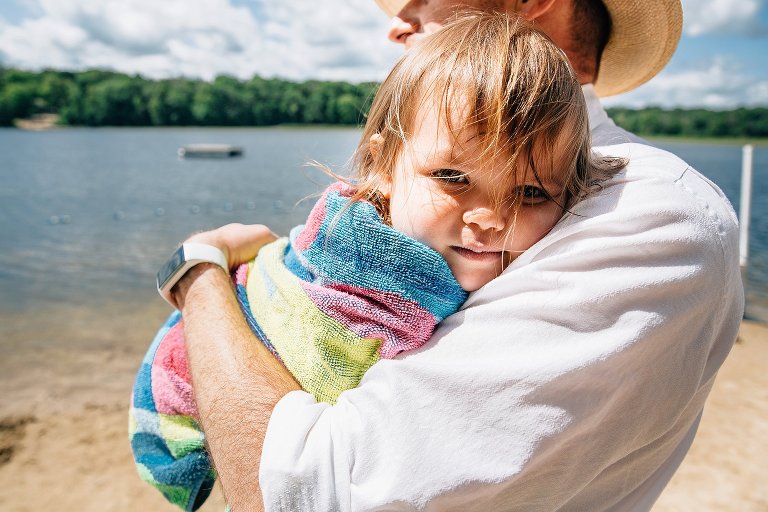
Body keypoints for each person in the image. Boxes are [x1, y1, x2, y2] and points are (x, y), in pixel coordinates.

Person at [167, 1, 744, 510]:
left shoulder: (651, 207)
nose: (396, 24)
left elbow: (304, 490)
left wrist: (198, 275)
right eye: (450, 177)